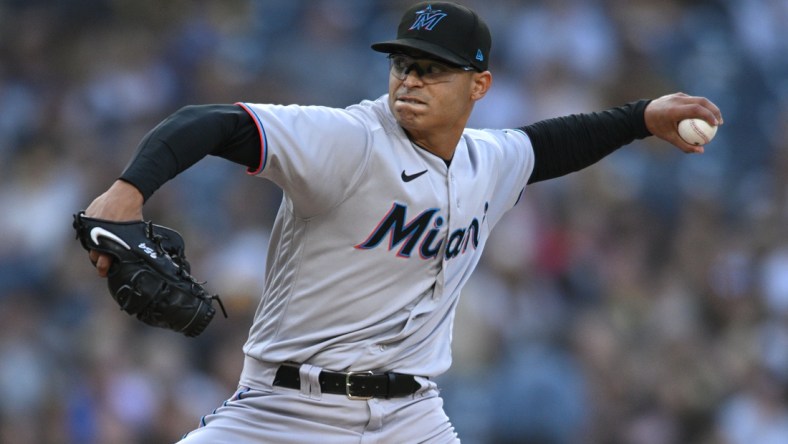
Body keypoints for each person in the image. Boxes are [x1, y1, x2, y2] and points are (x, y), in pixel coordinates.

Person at [82, 2, 723, 442]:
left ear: (480, 85)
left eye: (432, 69)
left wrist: (643, 116)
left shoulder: (487, 161)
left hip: (413, 416)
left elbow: (553, 145)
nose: (409, 80)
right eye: (402, 63)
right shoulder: (351, 140)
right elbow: (216, 121)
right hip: (285, 409)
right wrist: (127, 191)